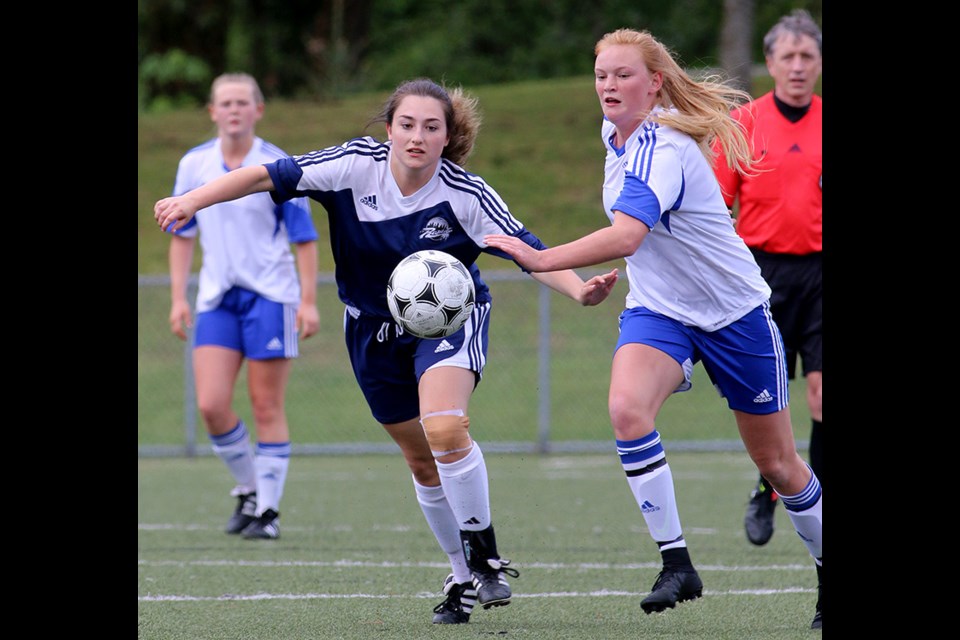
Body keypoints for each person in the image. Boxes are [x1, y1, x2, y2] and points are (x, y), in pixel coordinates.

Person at [156, 77, 618, 624]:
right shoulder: (352, 167)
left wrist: (579, 289)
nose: (417, 137)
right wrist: (191, 200)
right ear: (389, 128)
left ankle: (486, 556)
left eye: (431, 127)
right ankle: (462, 574)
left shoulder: (465, 195)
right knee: (422, 459)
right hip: (371, 330)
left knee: (445, 429)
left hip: (450, 322)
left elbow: (532, 252)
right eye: (407, 124)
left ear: (449, 137)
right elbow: (262, 176)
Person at [484, 28, 823, 630]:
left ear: (655, 82)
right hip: (661, 310)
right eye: (601, 75)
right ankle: (676, 563)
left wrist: (541, 258)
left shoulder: (660, 147)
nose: (608, 86)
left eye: (623, 75)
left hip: (734, 315)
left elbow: (628, 235)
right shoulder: (613, 135)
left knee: (778, 465)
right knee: (626, 411)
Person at [164, 72, 320, 540]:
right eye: (225, 103)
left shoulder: (275, 165)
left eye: (242, 102)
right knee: (212, 405)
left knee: (265, 402)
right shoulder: (194, 164)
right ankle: (251, 489)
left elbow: (305, 240)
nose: (233, 110)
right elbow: (181, 234)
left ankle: (268, 513)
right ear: (212, 112)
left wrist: (308, 302)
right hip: (216, 298)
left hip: (272, 295)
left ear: (258, 110)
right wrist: (177, 297)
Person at [712, 10, 822, 557]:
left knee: (823, 399)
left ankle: (811, 503)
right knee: (768, 405)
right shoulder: (745, 124)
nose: (798, 67)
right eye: (788, 57)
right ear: (770, 62)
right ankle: (768, 488)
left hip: (822, 276)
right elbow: (712, 207)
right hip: (759, 279)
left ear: (819, 64)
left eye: (808, 57)